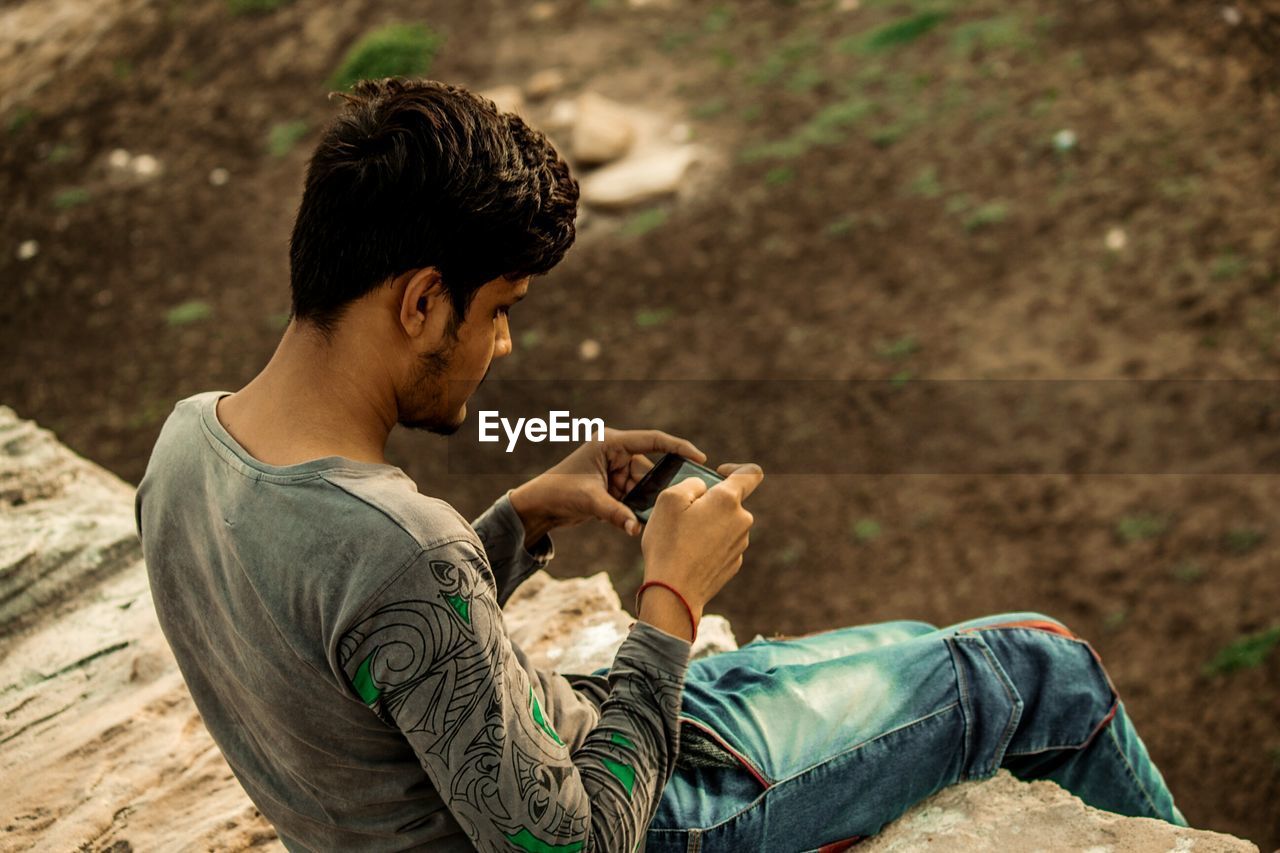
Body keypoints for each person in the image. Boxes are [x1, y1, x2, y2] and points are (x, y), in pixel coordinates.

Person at [135, 78, 1186, 853]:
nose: (500, 349)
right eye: (496, 312)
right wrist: (672, 597)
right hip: (638, 819)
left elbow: (364, 651)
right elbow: (577, 842)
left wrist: (518, 518)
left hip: (553, 736)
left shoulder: (188, 446)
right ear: (419, 301)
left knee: (918, 653)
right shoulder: (401, 547)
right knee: (1042, 665)